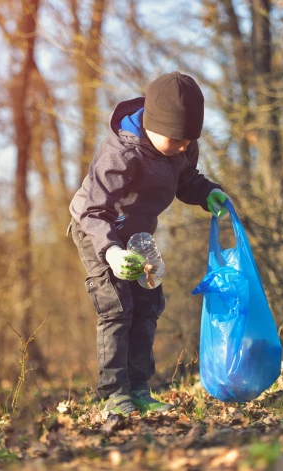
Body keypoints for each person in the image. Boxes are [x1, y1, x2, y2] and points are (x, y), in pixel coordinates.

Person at [67, 71, 230, 415]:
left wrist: (207, 193)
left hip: (138, 235)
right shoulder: (121, 155)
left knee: (148, 301)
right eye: (178, 139)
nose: (185, 147)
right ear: (154, 126)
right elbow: (94, 211)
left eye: (189, 139)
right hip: (98, 229)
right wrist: (111, 252)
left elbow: (186, 180)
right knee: (117, 305)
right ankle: (114, 394)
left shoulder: (181, 146)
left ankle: (140, 388)